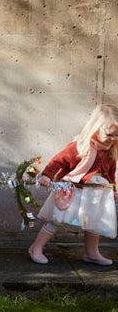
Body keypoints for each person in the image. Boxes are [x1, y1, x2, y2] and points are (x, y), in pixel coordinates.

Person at [29, 104, 118, 266]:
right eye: (109, 134)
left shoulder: (112, 150)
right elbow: (58, 160)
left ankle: (91, 252)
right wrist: (47, 175)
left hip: (97, 192)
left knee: (94, 221)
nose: (112, 139)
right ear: (96, 128)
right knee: (57, 218)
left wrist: (113, 188)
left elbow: (111, 172)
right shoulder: (81, 145)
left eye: (116, 136)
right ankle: (36, 247)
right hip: (74, 189)